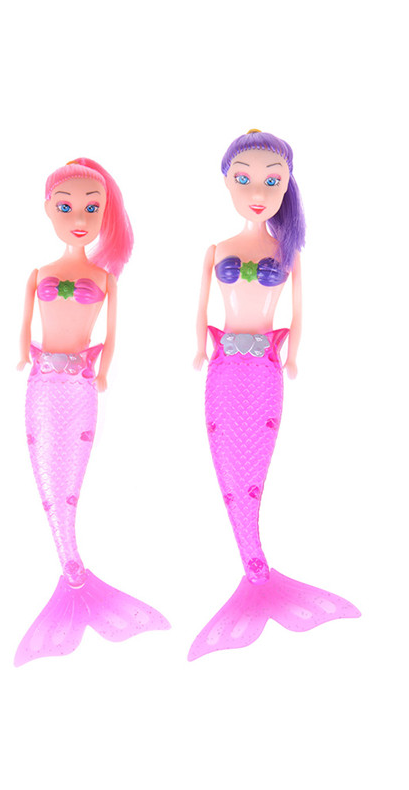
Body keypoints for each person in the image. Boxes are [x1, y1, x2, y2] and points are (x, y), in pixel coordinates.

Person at [189, 130, 359, 661]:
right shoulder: (216, 250)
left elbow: (298, 310)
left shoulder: (288, 252)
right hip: (222, 367)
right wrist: (198, 347)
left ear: (287, 186)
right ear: (226, 182)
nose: (258, 191)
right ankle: (253, 566)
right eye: (243, 179)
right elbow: (200, 309)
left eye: (272, 180)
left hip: (265, 367)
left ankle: (256, 571)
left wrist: (293, 354)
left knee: (253, 469)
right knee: (228, 468)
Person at [15, 158, 169, 667]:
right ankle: (71, 567)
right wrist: (21, 355)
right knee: (49, 480)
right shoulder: (39, 273)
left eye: (92, 207)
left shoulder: (105, 277)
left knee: (71, 481)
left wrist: (103, 371)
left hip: (82, 383)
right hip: (41, 382)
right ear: (47, 210)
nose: (79, 217)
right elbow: (24, 327)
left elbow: (113, 332)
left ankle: (74, 573)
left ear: (106, 213)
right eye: (66, 207)